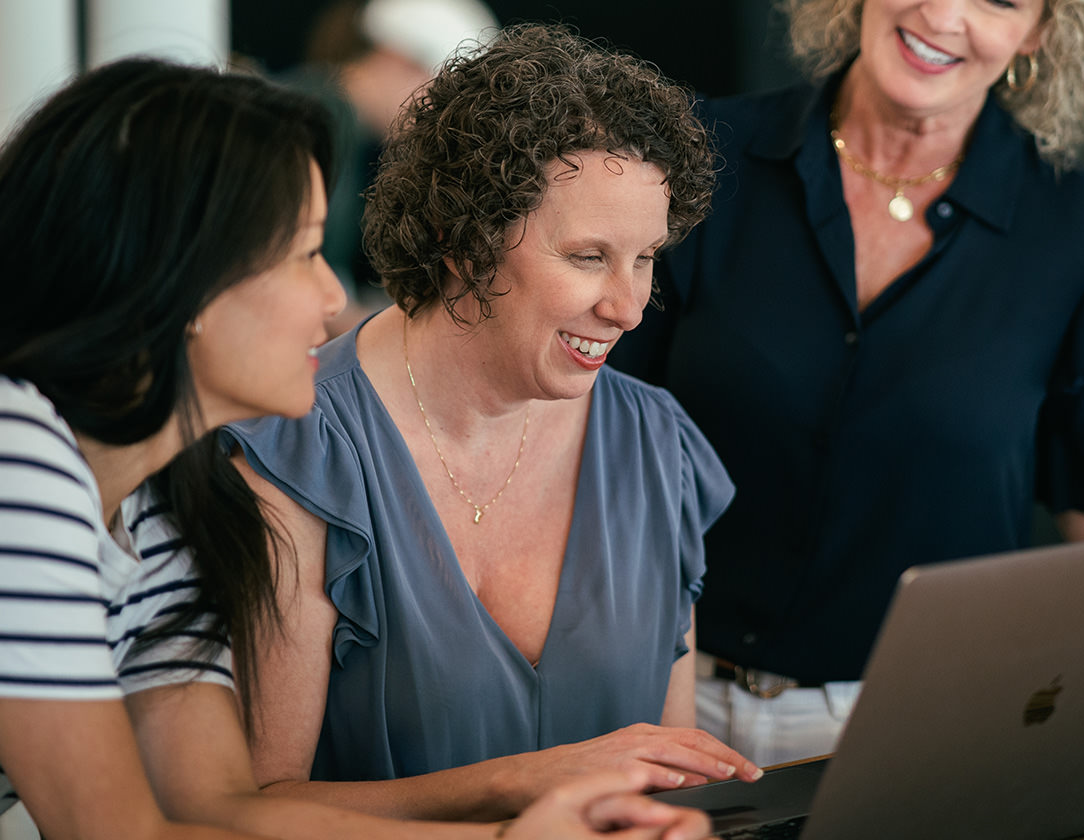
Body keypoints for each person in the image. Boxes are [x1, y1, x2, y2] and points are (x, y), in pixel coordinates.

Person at [612, 0, 1084, 766]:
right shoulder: (703, 160)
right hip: (651, 707)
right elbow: (585, 438)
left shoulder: (1076, 235)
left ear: (1039, 33)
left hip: (921, 735)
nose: (943, 14)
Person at [0, 56, 712, 840]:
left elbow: (216, 812)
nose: (335, 296)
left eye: (646, 258)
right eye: (302, 254)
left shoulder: (166, 508)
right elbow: (117, 833)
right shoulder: (22, 463)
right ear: (181, 282)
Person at [223, 23, 763, 823]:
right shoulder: (301, 453)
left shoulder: (660, 445)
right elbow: (253, 812)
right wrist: (526, 783)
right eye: (588, 257)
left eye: (647, 258)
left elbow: (669, 779)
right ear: (461, 240)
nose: (629, 307)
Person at [293, 0, 498, 330]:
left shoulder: (336, 120)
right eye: (440, 94)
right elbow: (289, 280)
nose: (440, 118)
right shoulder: (311, 120)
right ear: (398, 58)